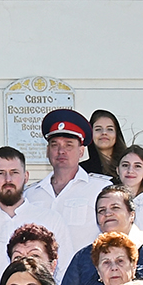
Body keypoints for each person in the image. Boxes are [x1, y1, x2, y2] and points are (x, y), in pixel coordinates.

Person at [24, 109, 110, 263]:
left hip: (84, 278)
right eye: (54, 145)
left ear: (81, 151)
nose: (61, 151)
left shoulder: (100, 189)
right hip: (40, 279)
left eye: (69, 145)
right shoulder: (30, 194)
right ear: (47, 151)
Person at [62, 186, 143, 285]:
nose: (107, 213)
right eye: (101, 210)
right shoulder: (83, 257)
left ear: (132, 215)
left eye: (115, 208)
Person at [0, 147, 39, 281]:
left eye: (14, 172)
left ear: (26, 177)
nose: (8, 179)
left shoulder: (50, 220)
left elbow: (63, 271)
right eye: (1, 173)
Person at [84, 109, 127, 180]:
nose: (104, 133)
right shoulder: (81, 170)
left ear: (117, 134)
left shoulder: (129, 166)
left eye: (110, 129)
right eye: (98, 129)